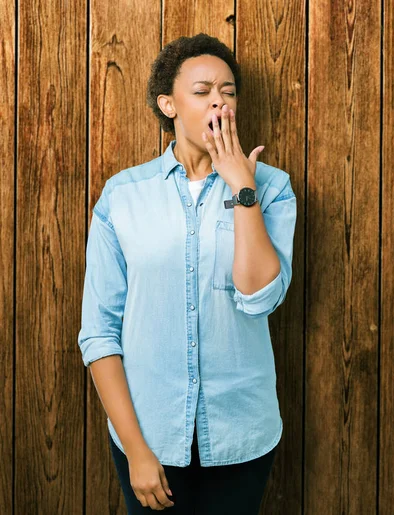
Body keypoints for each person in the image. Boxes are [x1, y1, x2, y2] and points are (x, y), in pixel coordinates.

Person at [77, 32, 297, 513]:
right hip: (149, 437)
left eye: (229, 90)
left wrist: (243, 189)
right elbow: (98, 334)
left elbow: (259, 296)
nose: (219, 101)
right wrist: (136, 450)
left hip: (242, 435)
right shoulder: (123, 196)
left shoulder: (272, 187)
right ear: (169, 104)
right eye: (202, 92)